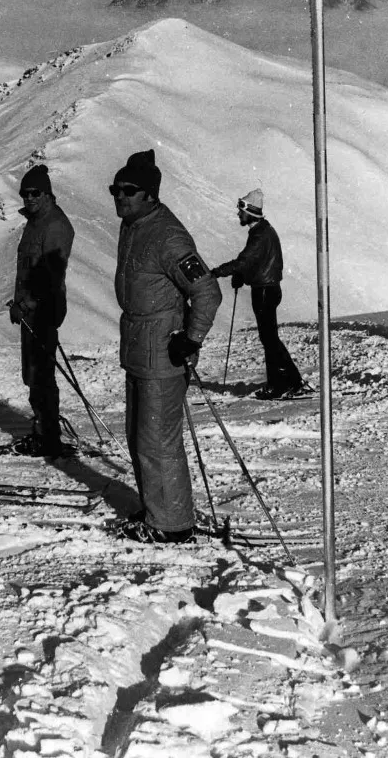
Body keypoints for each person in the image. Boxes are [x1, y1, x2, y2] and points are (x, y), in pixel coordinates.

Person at [111, 149, 222, 544]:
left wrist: (190, 339)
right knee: (138, 436)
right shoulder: (134, 225)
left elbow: (207, 291)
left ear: (150, 195)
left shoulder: (168, 236)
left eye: (129, 190)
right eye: (115, 189)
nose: (119, 196)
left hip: (162, 348)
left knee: (157, 439)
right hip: (138, 345)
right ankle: (158, 509)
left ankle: (172, 525)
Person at [211, 189, 311, 400]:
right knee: (270, 339)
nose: (239, 215)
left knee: (269, 340)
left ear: (251, 212)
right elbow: (254, 263)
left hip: (264, 291)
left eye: (241, 211)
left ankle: (279, 385)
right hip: (269, 288)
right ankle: (291, 381)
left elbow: (245, 261)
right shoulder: (263, 231)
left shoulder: (260, 234)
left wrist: (218, 272)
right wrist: (242, 275)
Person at [8, 164, 75, 460]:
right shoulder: (35, 223)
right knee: (33, 373)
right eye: (25, 193)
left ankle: (48, 436)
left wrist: (28, 304)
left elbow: (52, 277)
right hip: (28, 309)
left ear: (47, 193)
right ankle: (42, 429)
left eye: (35, 193)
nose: (29, 198)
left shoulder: (56, 226)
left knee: (41, 374)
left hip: (42, 310)